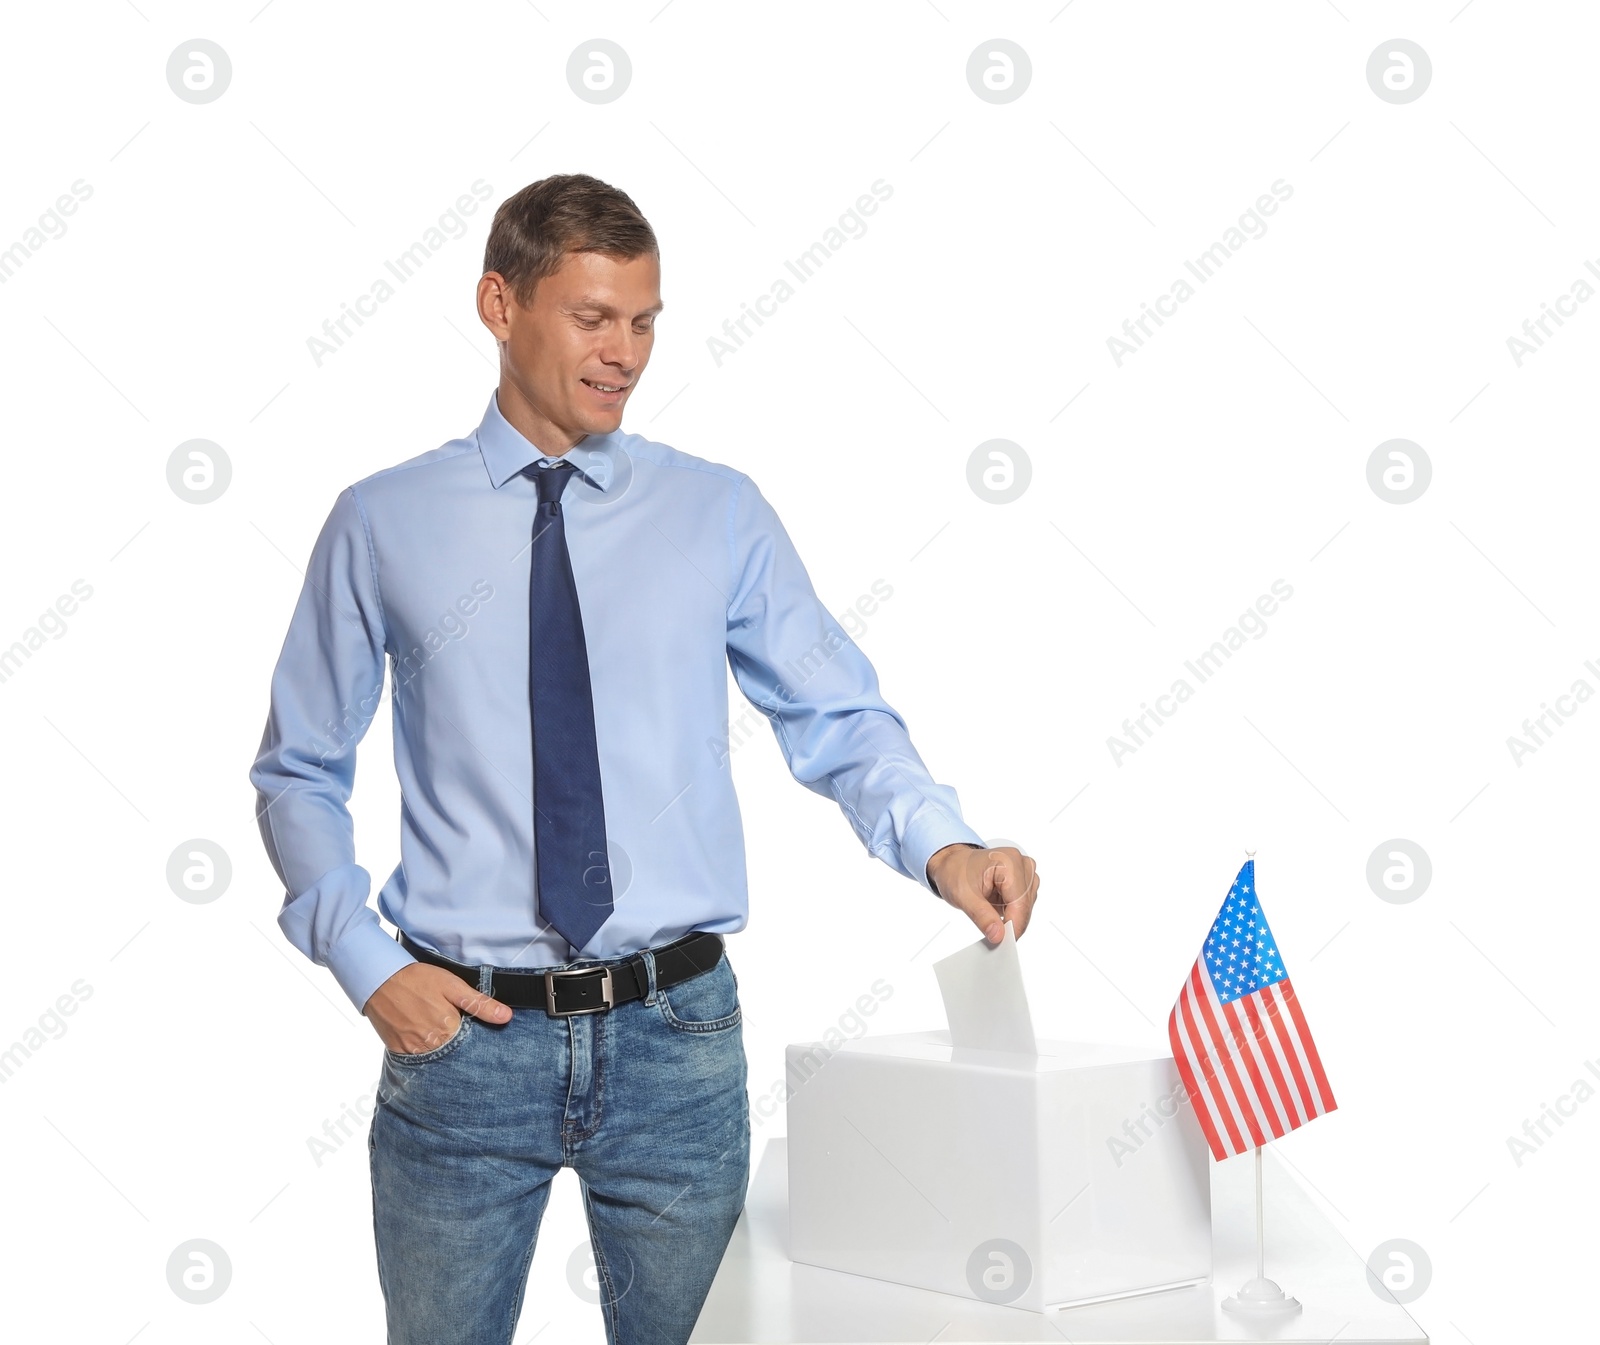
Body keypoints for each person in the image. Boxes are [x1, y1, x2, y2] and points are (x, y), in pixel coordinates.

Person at [248, 172, 1040, 1345]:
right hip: (462, 1044)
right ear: (498, 304)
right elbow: (298, 769)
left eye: (645, 320)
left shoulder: (716, 512)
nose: (625, 351)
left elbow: (834, 713)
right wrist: (366, 962)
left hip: (676, 1040)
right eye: (592, 316)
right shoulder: (381, 521)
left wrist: (947, 846)